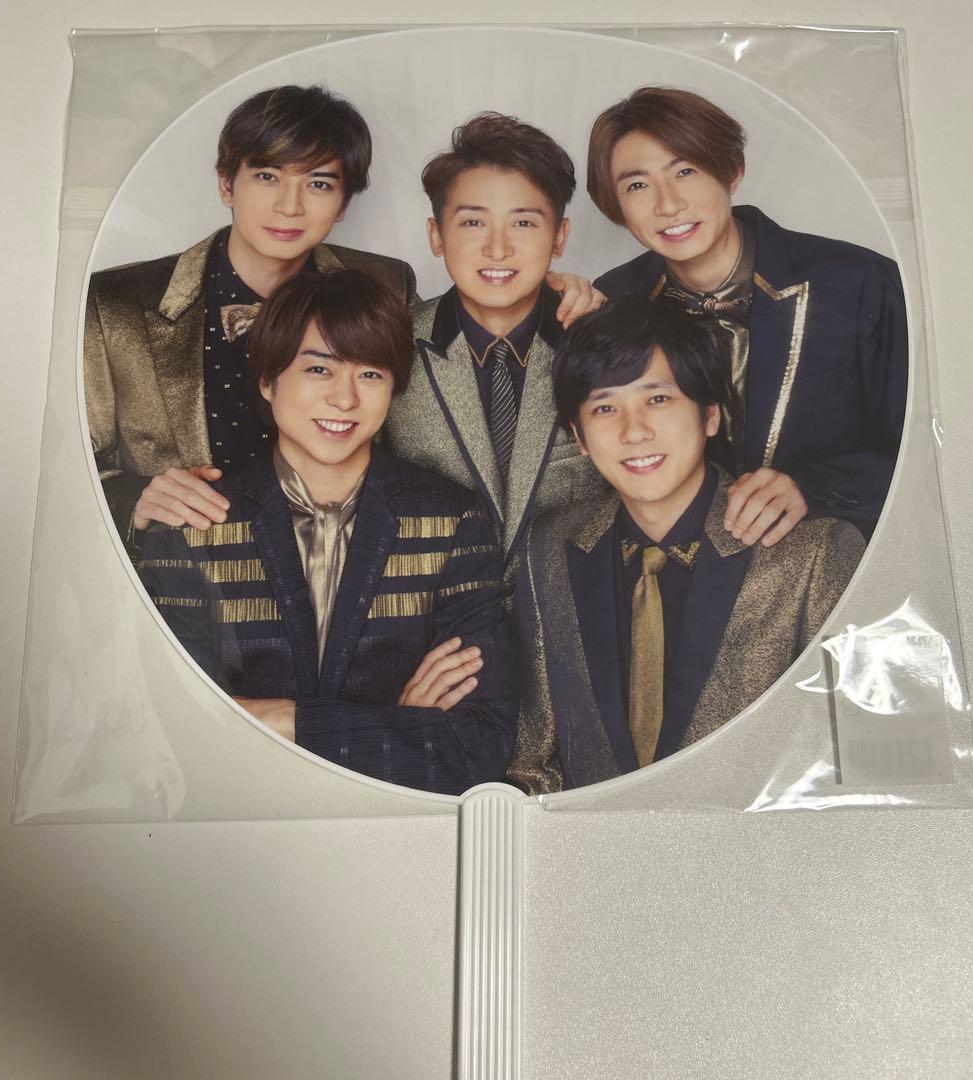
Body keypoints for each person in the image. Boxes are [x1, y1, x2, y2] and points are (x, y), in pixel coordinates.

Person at [138, 270, 516, 795]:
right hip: (239, 826)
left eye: (371, 374)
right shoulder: (191, 526)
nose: (345, 399)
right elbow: (174, 739)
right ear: (267, 380)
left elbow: (479, 748)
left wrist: (282, 719)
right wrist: (394, 726)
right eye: (319, 368)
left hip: (397, 830)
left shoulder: (452, 521)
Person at [507, 296, 864, 794]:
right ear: (579, 437)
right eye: (605, 407)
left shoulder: (814, 552)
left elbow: (860, 759)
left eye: (658, 399)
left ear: (710, 415)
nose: (634, 431)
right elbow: (531, 761)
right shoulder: (547, 548)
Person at [85, 84, 418, 549]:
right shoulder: (116, 303)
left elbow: (418, 436)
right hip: (188, 573)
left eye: (318, 184)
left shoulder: (386, 284)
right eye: (267, 176)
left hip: (341, 562)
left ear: (344, 204)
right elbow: (69, 467)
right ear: (227, 184)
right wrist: (134, 501)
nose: (289, 206)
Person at [587, 86, 907, 543]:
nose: (668, 204)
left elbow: (931, 446)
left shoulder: (858, 282)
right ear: (614, 204)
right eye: (637, 185)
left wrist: (814, 486)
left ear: (732, 171)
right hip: (682, 571)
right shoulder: (614, 300)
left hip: (848, 560)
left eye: (685, 171)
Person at [385, 113, 606, 583]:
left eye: (523, 222)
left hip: (575, 611)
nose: (498, 249)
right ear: (436, 236)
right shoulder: (390, 345)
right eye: (472, 222)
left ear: (560, 237)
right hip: (429, 613)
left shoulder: (607, 344)